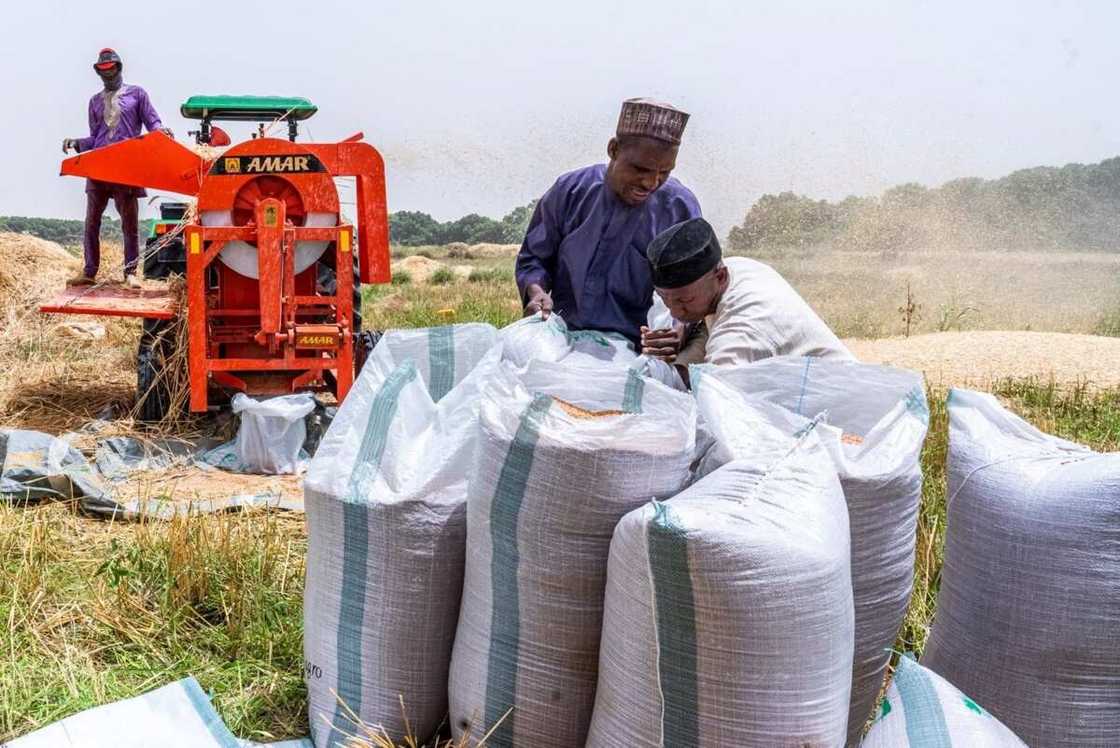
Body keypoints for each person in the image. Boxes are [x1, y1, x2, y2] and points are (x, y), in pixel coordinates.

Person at [515, 98, 701, 347]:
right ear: (613, 149)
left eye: (664, 172)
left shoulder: (679, 208)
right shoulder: (570, 191)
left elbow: (695, 286)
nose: (651, 183)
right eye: (640, 169)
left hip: (638, 349)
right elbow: (534, 258)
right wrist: (535, 293)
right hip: (562, 339)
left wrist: (678, 330)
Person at [642, 217, 852, 385]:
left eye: (685, 300)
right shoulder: (736, 268)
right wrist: (680, 334)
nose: (675, 312)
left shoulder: (744, 325)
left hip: (837, 404)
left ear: (721, 276)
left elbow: (717, 402)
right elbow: (702, 327)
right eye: (664, 298)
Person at [62, 48, 171, 287]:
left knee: (129, 224)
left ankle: (130, 273)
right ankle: (89, 271)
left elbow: (153, 121)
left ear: (118, 68)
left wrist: (161, 131)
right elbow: (96, 138)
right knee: (91, 222)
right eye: (103, 70)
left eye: (110, 69)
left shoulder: (137, 94)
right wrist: (77, 143)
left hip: (126, 166)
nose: (107, 74)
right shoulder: (94, 102)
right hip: (99, 167)